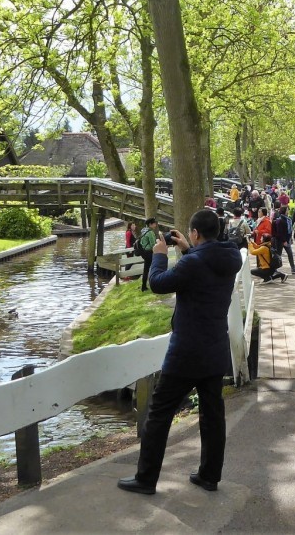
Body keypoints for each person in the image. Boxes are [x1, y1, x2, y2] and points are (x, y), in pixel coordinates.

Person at [117, 209, 243, 496]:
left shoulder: (195, 263)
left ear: (196, 233)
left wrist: (160, 254)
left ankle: (146, 479)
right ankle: (209, 476)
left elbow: (158, 284)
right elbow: (202, 273)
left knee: (160, 412)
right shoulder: (230, 256)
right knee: (212, 415)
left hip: (186, 352)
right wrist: (188, 250)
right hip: (215, 350)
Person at [272, 207, 295, 274]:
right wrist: (284, 241)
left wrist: (290, 239)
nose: (288, 211)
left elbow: (289, 231)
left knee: (290, 254)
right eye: (287, 210)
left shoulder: (287, 219)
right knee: (278, 255)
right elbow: (280, 232)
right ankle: (274, 269)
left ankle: (293, 268)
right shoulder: (280, 220)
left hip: (286, 240)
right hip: (280, 241)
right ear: (284, 211)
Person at [136, 218, 160, 292]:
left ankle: (144, 286)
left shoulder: (143, 231)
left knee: (146, 270)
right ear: (150, 224)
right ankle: (155, 284)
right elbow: (153, 244)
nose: (155, 225)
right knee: (156, 268)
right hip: (150, 253)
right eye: (154, 223)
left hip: (144, 252)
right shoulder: (150, 233)